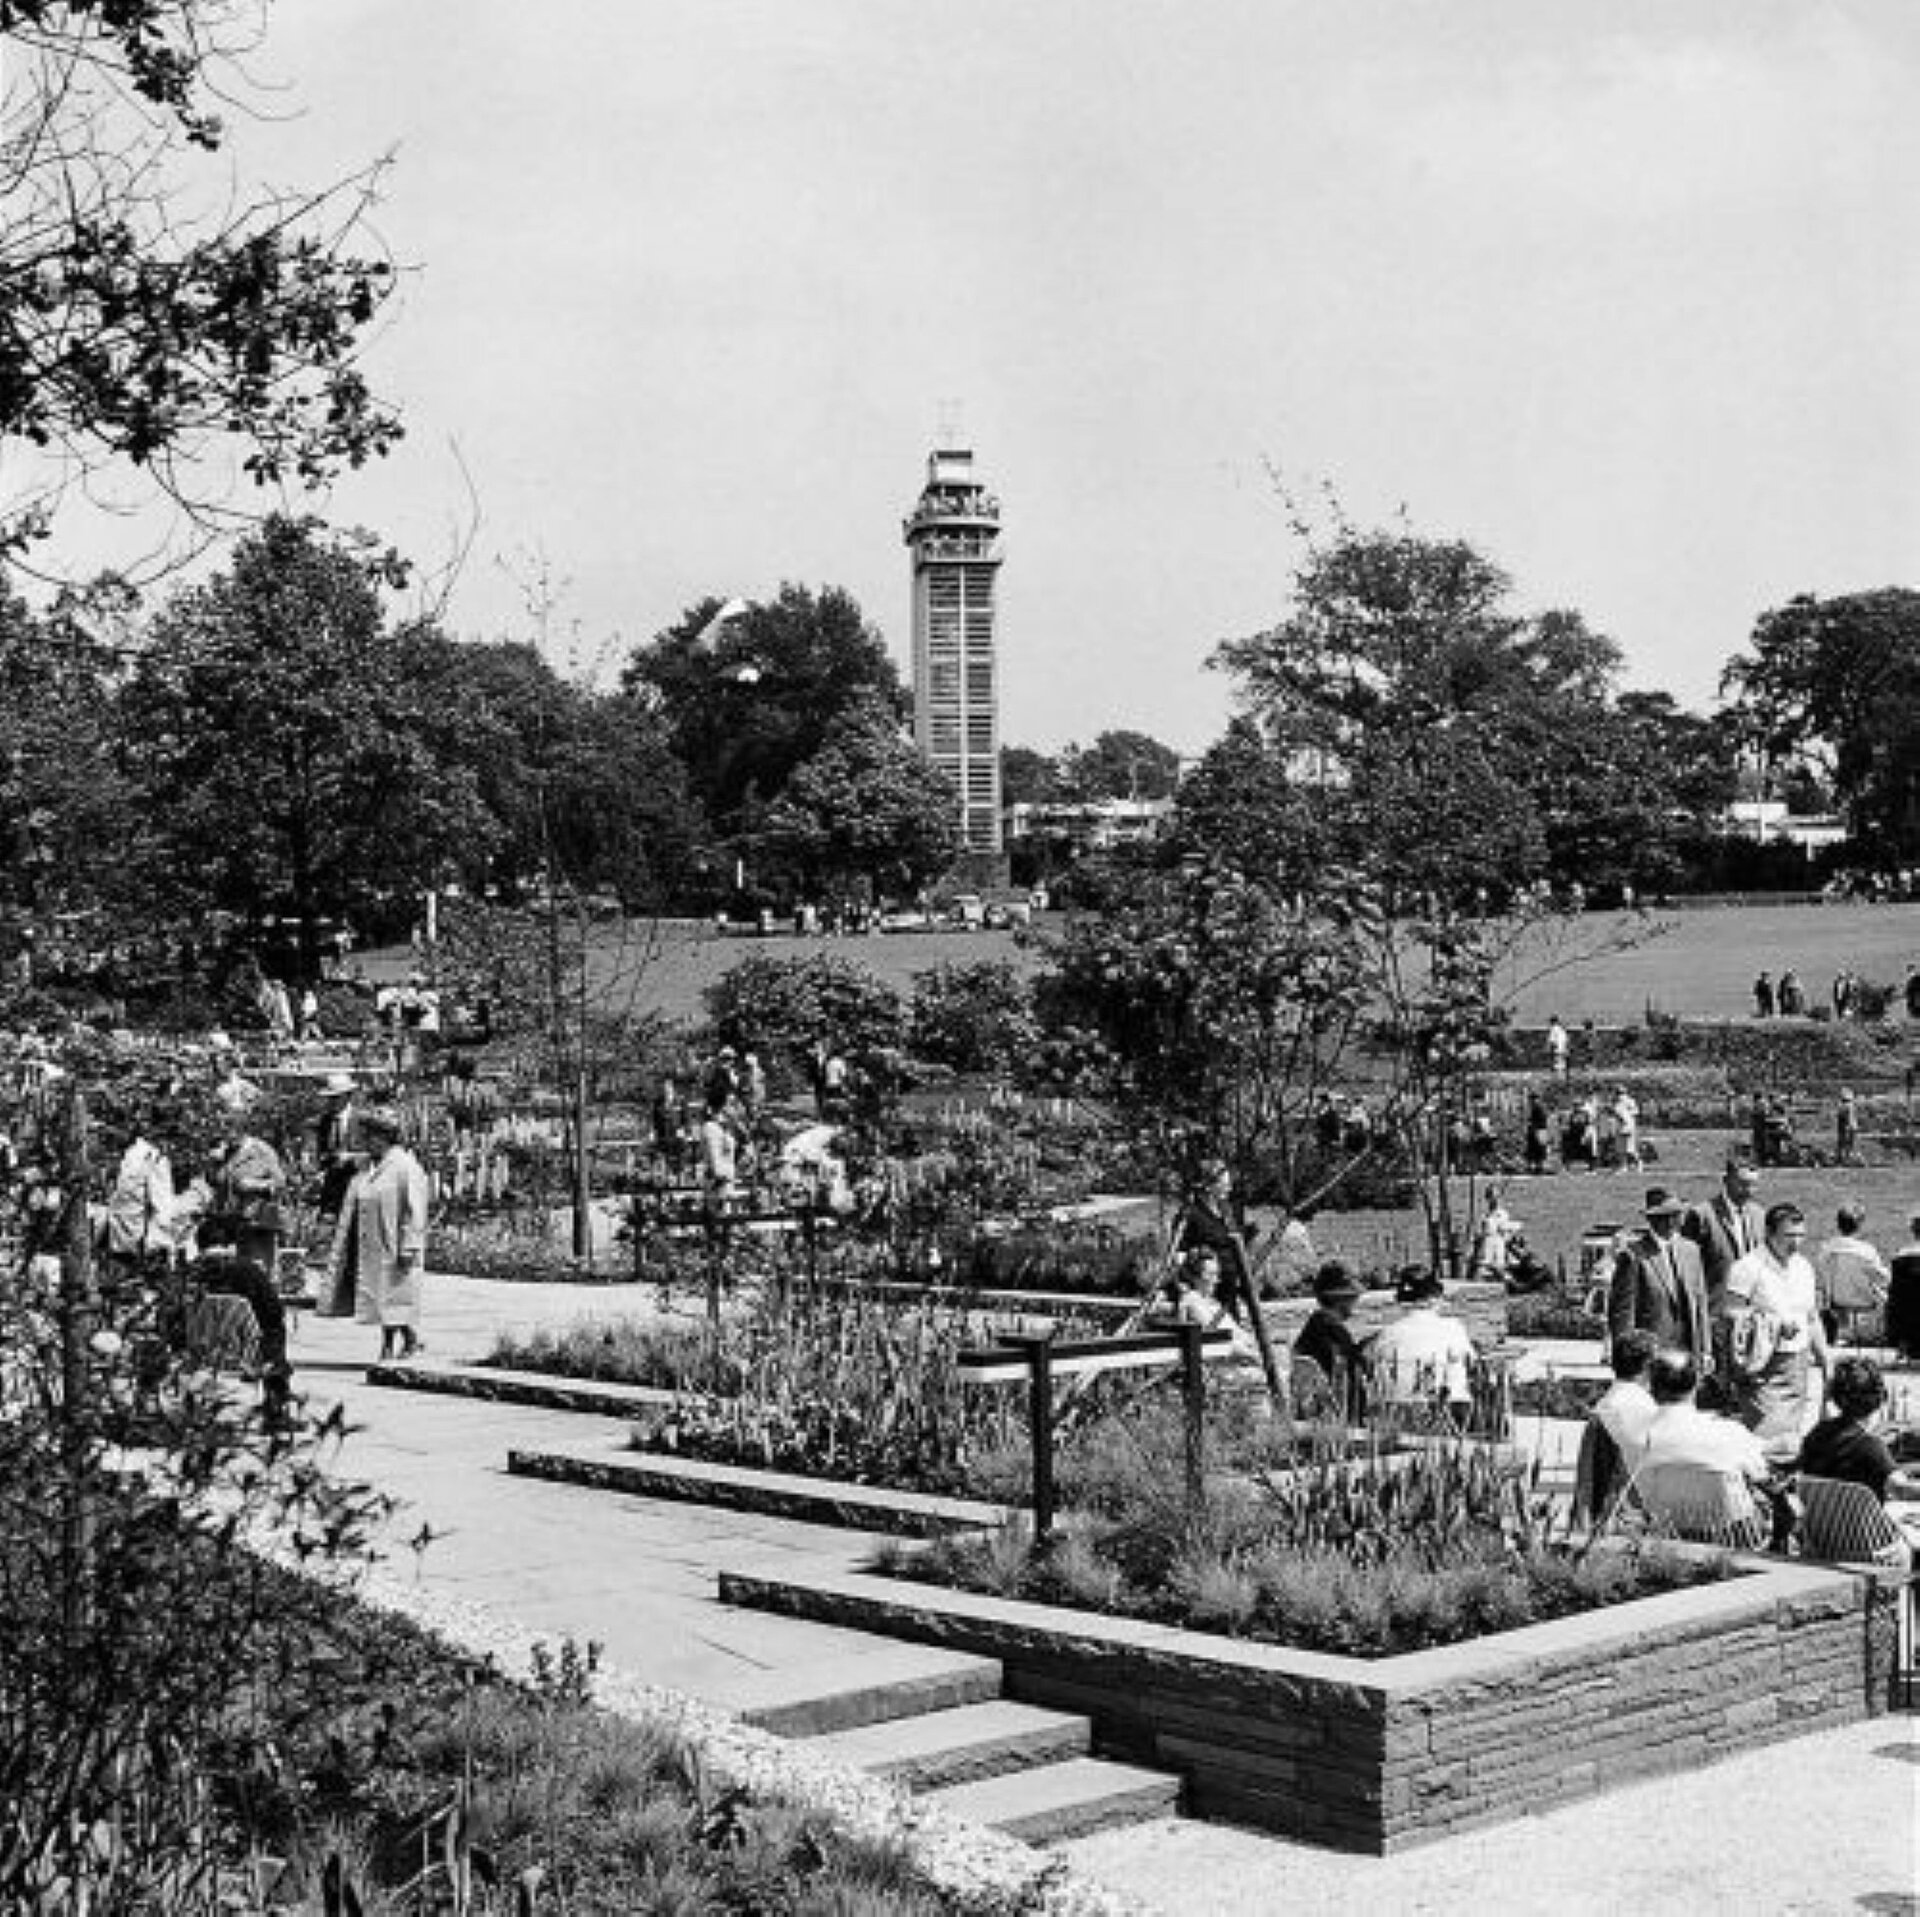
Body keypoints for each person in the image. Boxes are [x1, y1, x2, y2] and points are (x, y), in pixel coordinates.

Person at [1725, 1201, 1833, 1461]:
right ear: (1770, 1234)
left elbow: (1811, 1317)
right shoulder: (1748, 1268)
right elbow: (1730, 1314)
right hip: (1762, 1368)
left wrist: (1825, 1357)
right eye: (1788, 1236)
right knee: (1766, 1441)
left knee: (1790, 1441)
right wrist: (1772, 1324)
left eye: (1800, 1236)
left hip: (1797, 1364)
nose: (1795, 1243)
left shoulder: (1804, 1268)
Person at [323, 1106, 431, 1363]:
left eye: (370, 1136)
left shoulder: (405, 1167)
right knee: (384, 1297)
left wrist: (411, 1245)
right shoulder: (371, 1165)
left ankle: (390, 1345)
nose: (365, 1142)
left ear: (384, 1138)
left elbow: (414, 1210)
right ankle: (408, 1339)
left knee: (393, 1296)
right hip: (374, 1242)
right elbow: (350, 1163)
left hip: (395, 1242)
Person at [1637, 1348, 1777, 1542]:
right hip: (1735, 1539)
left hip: (1670, 1538)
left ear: (1651, 1388)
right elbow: (1765, 1473)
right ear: (1696, 1384)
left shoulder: (1638, 1438)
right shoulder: (1728, 1432)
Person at [1797, 1357, 1920, 1555]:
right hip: (1869, 1553)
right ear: (1878, 1399)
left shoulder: (1816, 1435)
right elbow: (1901, 1490)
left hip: (1822, 1545)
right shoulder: (1870, 1447)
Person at [1608, 1187, 1712, 1368]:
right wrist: (1628, 1361)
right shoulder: (1634, 1256)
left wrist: (1705, 1350)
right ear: (1651, 1219)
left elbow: (1700, 1303)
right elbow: (1622, 1314)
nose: (1672, 1222)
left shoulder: (1691, 1250)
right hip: (1651, 1356)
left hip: (1688, 1352)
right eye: (1665, 1216)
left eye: (1676, 1215)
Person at [1572, 1328, 1660, 1526]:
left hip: (1601, 1517)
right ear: (1648, 1368)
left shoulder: (1605, 1406)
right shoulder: (1644, 1411)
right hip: (1632, 1520)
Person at [1370, 1268, 1476, 1416]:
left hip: (1396, 1410)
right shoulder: (1453, 1328)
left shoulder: (1386, 1333)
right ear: (1434, 1298)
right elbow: (1472, 1363)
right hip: (1449, 1408)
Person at [1682, 1160, 1765, 1320]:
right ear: (1726, 1181)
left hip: (1753, 1313)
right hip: (1715, 1313)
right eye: (1742, 1184)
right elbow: (1688, 1270)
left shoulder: (1760, 1215)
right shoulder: (1702, 1215)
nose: (1749, 1191)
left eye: (1753, 1185)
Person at [1292, 1262, 1369, 1416]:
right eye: (1353, 1298)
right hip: (1340, 1416)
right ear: (1340, 1298)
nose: (1356, 1302)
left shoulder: (1315, 1325)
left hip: (1318, 1412)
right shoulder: (1332, 1329)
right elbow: (1346, 1373)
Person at [1815, 1204, 1889, 1346]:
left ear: (1838, 1224)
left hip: (1836, 1300)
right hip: (1865, 1300)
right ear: (1860, 1225)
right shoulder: (1867, 1251)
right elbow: (1881, 1279)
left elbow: (1822, 1278)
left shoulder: (1827, 1249)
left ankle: (1843, 1334)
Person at [314, 1071, 367, 1225]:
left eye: (336, 1097)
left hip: (358, 1186)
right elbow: (322, 1153)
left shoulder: (362, 1120)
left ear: (347, 1097)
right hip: (332, 1190)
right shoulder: (324, 1122)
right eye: (330, 1098)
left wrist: (351, 1157)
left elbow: (376, 1154)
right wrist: (321, 1170)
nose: (332, 1102)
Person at [1884, 1212, 1920, 1362]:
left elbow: (1896, 1293)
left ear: (1913, 1231)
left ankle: (1903, 1348)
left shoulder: (1900, 1257)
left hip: (1904, 1326)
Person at [1524, 1093, 1551, 1176]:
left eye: (1532, 1099)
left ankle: (1538, 1168)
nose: (1531, 1101)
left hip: (1539, 1131)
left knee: (1538, 1149)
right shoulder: (1537, 1108)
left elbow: (1539, 1121)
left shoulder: (1538, 1108)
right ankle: (1537, 1168)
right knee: (1537, 1150)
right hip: (1540, 1131)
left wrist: (1533, 1128)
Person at [1835, 1088, 1861, 1166]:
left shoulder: (1844, 1107)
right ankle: (1846, 1158)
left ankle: (1846, 1158)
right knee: (1848, 1144)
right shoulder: (1849, 1106)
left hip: (1847, 1128)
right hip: (1849, 1128)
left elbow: (1849, 1118)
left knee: (1846, 1144)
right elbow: (1850, 1119)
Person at [1546, 1015, 1570, 1079]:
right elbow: (1567, 1041)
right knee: (1563, 1068)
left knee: (1558, 1068)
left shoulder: (1553, 1029)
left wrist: (1550, 1052)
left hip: (1558, 1051)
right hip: (1564, 1050)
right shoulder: (1562, 1029)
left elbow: (1552, 1042)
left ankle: (1559, 1082)